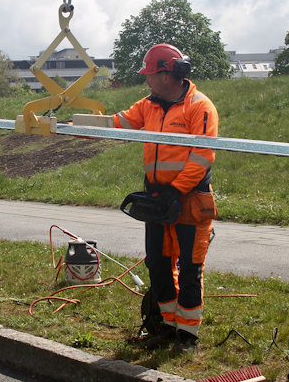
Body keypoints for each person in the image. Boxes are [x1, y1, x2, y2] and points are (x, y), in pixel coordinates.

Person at [113, 44, 219, 351]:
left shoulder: (200, 106)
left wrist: (176, 190)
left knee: (189, 268)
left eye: (148, 75)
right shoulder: (149, 105)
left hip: (190, 201)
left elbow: (202, 155)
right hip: (158, 199)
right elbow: (117, 124)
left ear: (164, 75)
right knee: (157, 266)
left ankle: (187, 336)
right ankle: (167, 326)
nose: (146, 81)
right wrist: (71, 127)